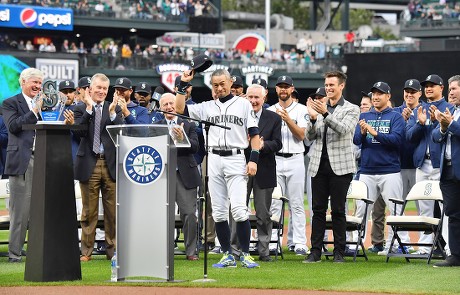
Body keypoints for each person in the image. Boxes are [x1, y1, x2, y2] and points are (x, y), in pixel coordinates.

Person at [175, 68, 261, 269]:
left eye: (223, 83)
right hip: (213, 158)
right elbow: (179, 109)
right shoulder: (206, 107)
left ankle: (246, 254)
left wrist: (254, 159)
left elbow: (254, 134)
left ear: (231, 82)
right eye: (216, 85)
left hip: (236, 157)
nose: (220, 88)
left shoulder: (243, 104)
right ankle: (226, 255)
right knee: (220, 213)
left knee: (239, 210)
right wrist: (182, 86)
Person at [304, 71, 359, 263]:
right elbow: (309, 137)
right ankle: (315, 251)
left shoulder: (352, 108)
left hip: (341, 167)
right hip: (318, 164)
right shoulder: (319, 108)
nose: (328, 88)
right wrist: (312, 119)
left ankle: (339, 253)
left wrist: (324, 113)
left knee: (338, 210)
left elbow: (344, 129)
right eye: (326, 85)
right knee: (317, 210)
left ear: (341, 86)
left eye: (331, 85)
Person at [353, 81, 412, 256]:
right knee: (361, 210)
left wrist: (374, 132)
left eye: (380, 94)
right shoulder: (365, 116)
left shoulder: (396, 116)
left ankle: (398, 244)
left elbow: (397, 141)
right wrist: (363, 133)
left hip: (390, 170)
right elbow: (357, 140)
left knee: (395, 209)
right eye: (374, 94)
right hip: (367, 170)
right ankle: (356, 244)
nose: (376, 97)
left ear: (388, 96)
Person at [73, 73, 123, 262]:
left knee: (112, 212)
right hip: (89, 162)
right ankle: (86, 252)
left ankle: (113, 252)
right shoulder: (80, 108)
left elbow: (120, 132)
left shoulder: (114, 108)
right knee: (89, 212)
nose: (102, 91)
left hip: (110, 163)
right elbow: (78, 132)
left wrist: (111, 114)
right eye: (98, 88)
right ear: (90, 89)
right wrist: (88, 109)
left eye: (105, 88)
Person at [406, 74, 452, 256]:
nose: (429, 88)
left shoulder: (449, 108)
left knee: (445, 207)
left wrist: (436, 122)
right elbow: (409, 137)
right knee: (423, 206)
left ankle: (449, 246)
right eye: (426, 86)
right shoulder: (420, 109)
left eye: (433, 85)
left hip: (441, 164)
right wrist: (420, 123)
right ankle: (426, 246)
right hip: (421, 164)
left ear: (442, 88)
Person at [2, 68, 44, 262]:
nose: (37, 86)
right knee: (20, 211)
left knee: (39, 211)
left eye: (40, 83)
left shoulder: (44, 105)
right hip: (22, 161)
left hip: (43, 159)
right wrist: (34, 111)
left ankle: (35, 250)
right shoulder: (10, 102)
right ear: (23, 82)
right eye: (34, 82)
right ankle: (14, 254)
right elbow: (13, 126)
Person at [267, 75, 309, 256]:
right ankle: (273, 241)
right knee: (274, 203)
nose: (283, 90)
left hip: (295, 159)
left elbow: (302, 136)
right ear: (276, 90)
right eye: (280, 87)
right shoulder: (269, 110)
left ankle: (299, 242)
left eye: (286, 87)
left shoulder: (301, 109)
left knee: (297, 204)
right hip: (274, 159)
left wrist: (287, 120)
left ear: (292, 89)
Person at [159, 93, 202, 261]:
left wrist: (181, 137)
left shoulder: (189, 124)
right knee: (162, 213)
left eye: (172, 103)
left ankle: (191, 251)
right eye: (166, 104)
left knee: (189, 213)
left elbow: (195, 148)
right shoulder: (156, 125)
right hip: (162, 174)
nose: (169, 106)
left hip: (185, 174)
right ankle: (164, 250)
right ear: (161, 108)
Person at [245, 84, 282, 262]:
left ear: (264, 98)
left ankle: (264, 250)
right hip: (240, 168)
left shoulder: (274, 118)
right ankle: (237, 249)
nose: (253, 101)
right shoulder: (240, 115)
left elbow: (278, 143)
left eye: (256, 97)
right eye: (250, 97)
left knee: (263, 214)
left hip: (265, 169)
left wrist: (262, 145)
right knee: (237, 211)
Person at [432, 74, 460, 267]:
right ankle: (456, 256)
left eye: (453, 89)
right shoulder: (451, 111)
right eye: (449, 89)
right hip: (448, 170)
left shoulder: (452, 116)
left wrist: (449, 124)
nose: (450, 93)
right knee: (453, 213)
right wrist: (442, 127)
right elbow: (435, 136)